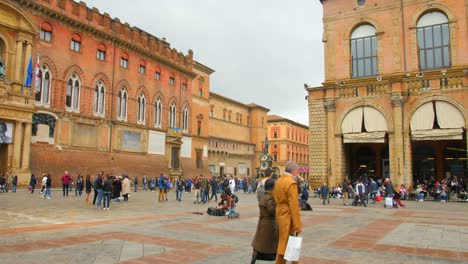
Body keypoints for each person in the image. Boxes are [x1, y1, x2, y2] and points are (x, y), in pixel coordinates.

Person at [272, 161, 303, 264]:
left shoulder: (278, 181)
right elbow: (294, 205)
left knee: (287, 242)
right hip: (287, 216)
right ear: (294, 171)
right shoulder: (291, 183)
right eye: (297, 171)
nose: (297, 173)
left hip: (279, 213)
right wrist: (298, 225)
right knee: (285, 244)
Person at [251, 178, 278, 264]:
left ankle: (253, 261)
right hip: (268, 224)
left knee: (258, 246)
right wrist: (277, 203)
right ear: (272, 187)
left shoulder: (263, 195)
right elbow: (271, 210)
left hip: (263, 223)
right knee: (268, 245)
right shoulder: (269, 197)